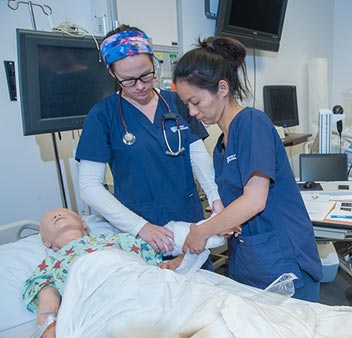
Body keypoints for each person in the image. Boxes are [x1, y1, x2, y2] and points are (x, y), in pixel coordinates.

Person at [172, 36, 323, 302]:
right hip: (251, 262)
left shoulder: (252, 124)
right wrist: (220, 225)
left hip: (282, 261)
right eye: (186, 105)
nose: (192, 112)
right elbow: (236, 209)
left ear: (222, 88)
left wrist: (203, 231)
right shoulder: (221, 145)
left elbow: (254, 200)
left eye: (195, 101)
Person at [75, 25, 224, 255]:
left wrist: (215, 197)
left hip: (190, 227)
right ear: (112, 73)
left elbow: (197, 156)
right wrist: (140, 227)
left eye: (146, 74)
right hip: (141, 235)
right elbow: (89, 187)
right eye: (129, 80)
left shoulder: (177, 102)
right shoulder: (103, 115)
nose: (141, 85)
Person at [23, 208, 223, 338]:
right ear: (46, 243)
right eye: (49, 219)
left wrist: (180, 261)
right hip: (96, 297)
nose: (56, 215)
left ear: (84, 223)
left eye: (63, 212)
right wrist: (49, 326)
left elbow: (156, 270)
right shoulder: (49, 264)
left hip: (136, 280)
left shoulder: (120, 241)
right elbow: (48, 307)